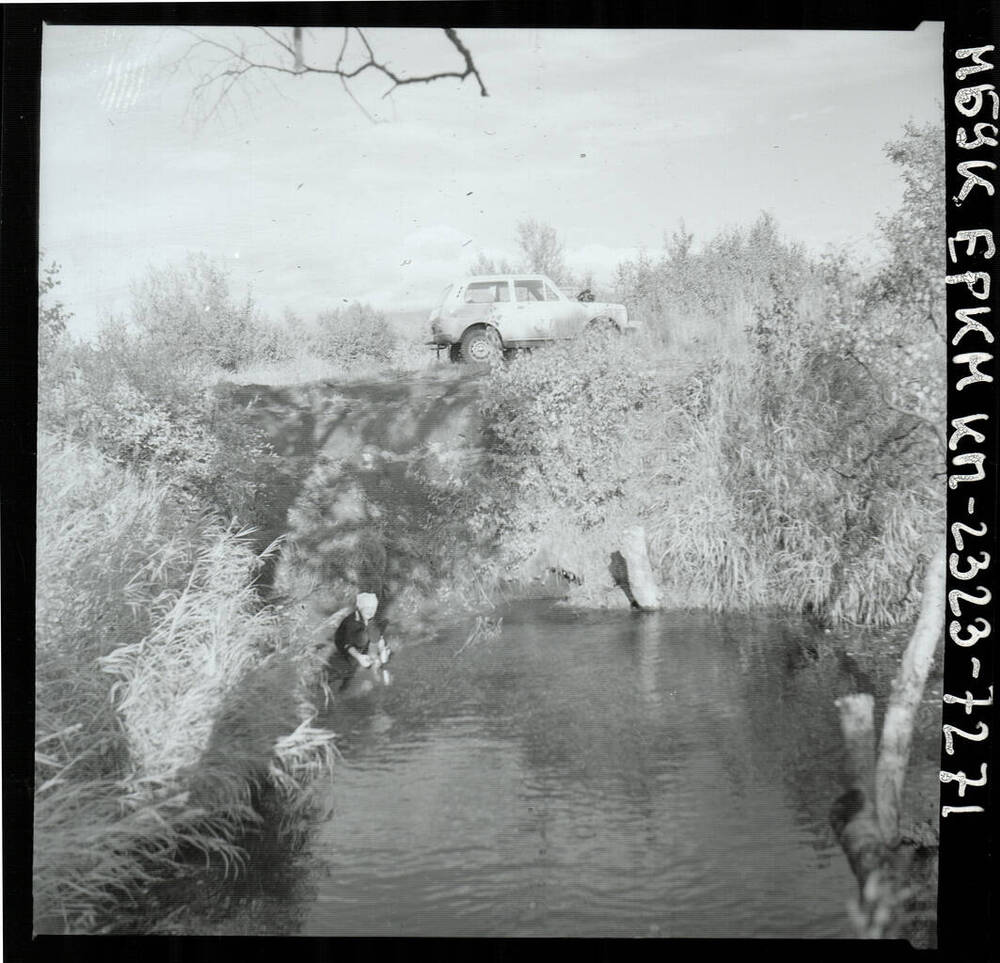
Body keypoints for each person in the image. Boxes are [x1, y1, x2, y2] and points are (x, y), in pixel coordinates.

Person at [334, 592, 391, 670]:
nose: (370, 611)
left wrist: (382, 649)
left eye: (373, 608)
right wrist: (358, 656)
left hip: (358, 635)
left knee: (372, 629)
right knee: (363, 638)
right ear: (360, 608)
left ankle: (370, 651)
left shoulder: (368, 618)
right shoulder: (352, 621)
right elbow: (346, 643)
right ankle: (356, 654)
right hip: (343, 643)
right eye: (367, 608)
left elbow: (376, 633)